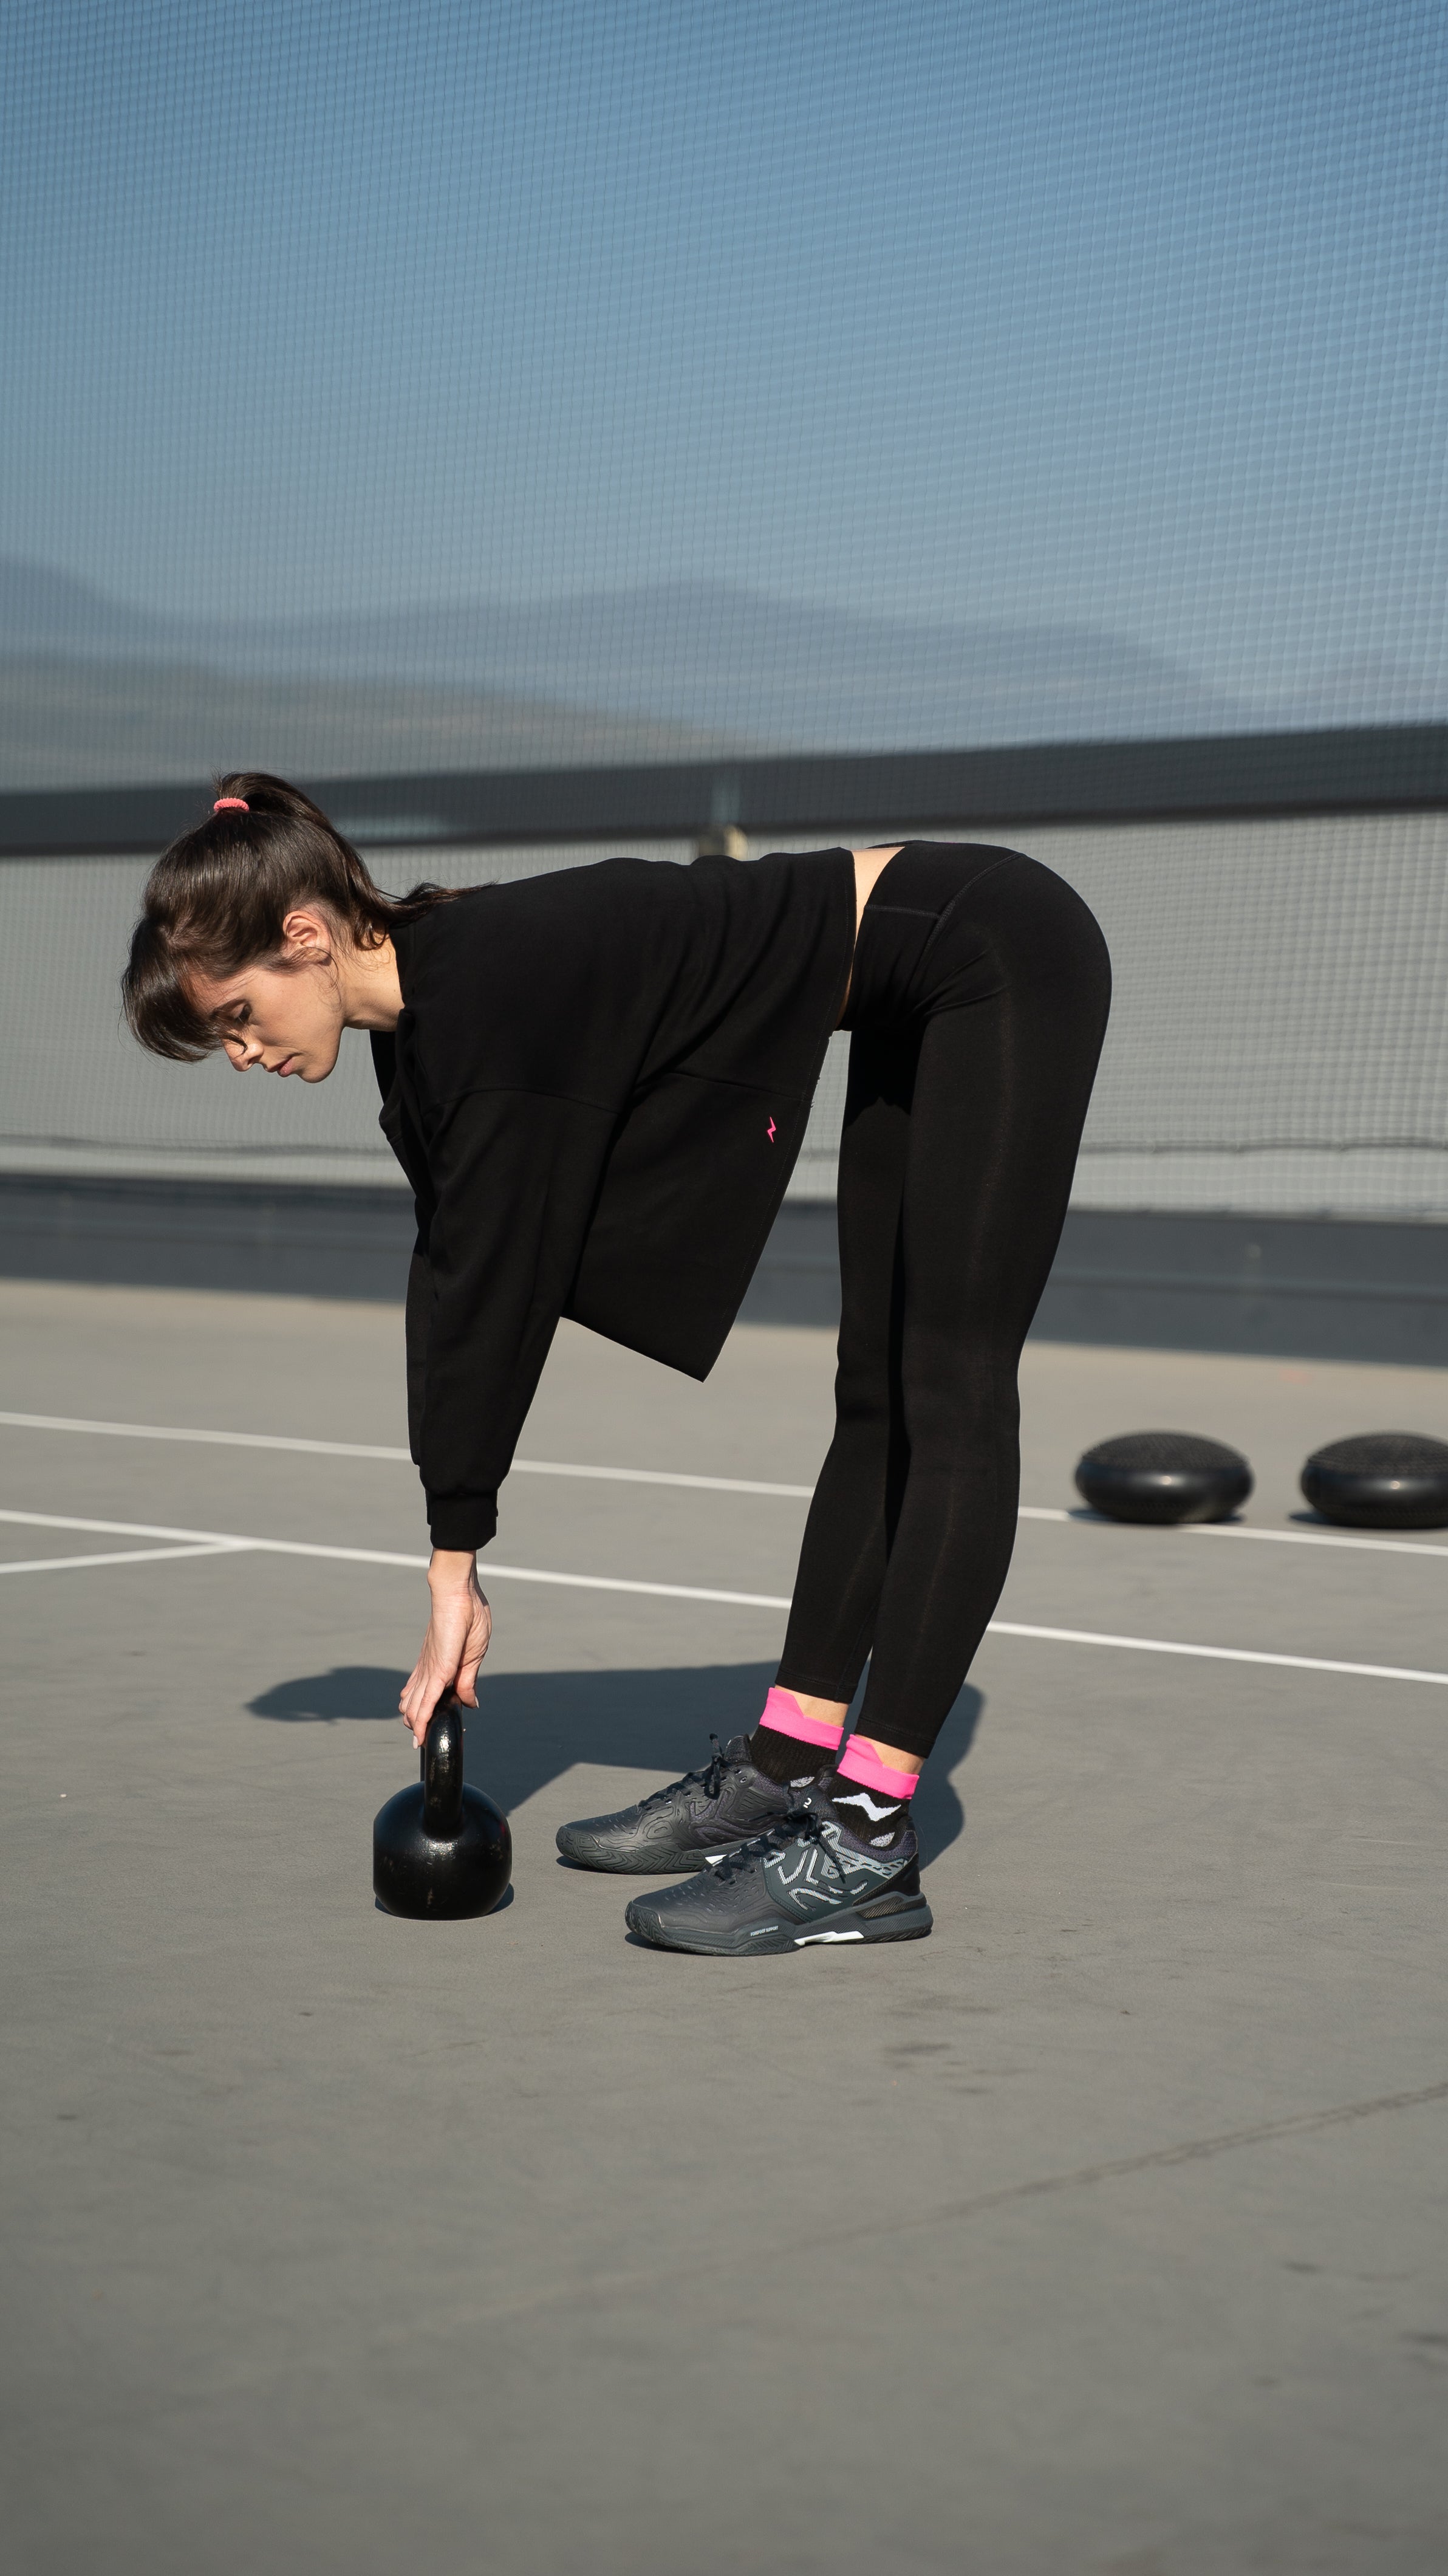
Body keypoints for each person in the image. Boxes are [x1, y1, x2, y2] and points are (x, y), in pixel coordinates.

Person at [123, 773, 1110, 1956]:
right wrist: (452, 1550)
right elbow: (454, 1268)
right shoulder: (424, 1016)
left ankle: (868, 1839)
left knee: (948, 1386)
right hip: (909, 984)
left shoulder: (480, 990)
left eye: (238, 1014)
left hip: (997, 945)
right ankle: (792, 1761)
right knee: (874, 1390)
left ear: (305, 936)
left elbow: (497, 1280)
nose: (242, 1052)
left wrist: (455, 1565)